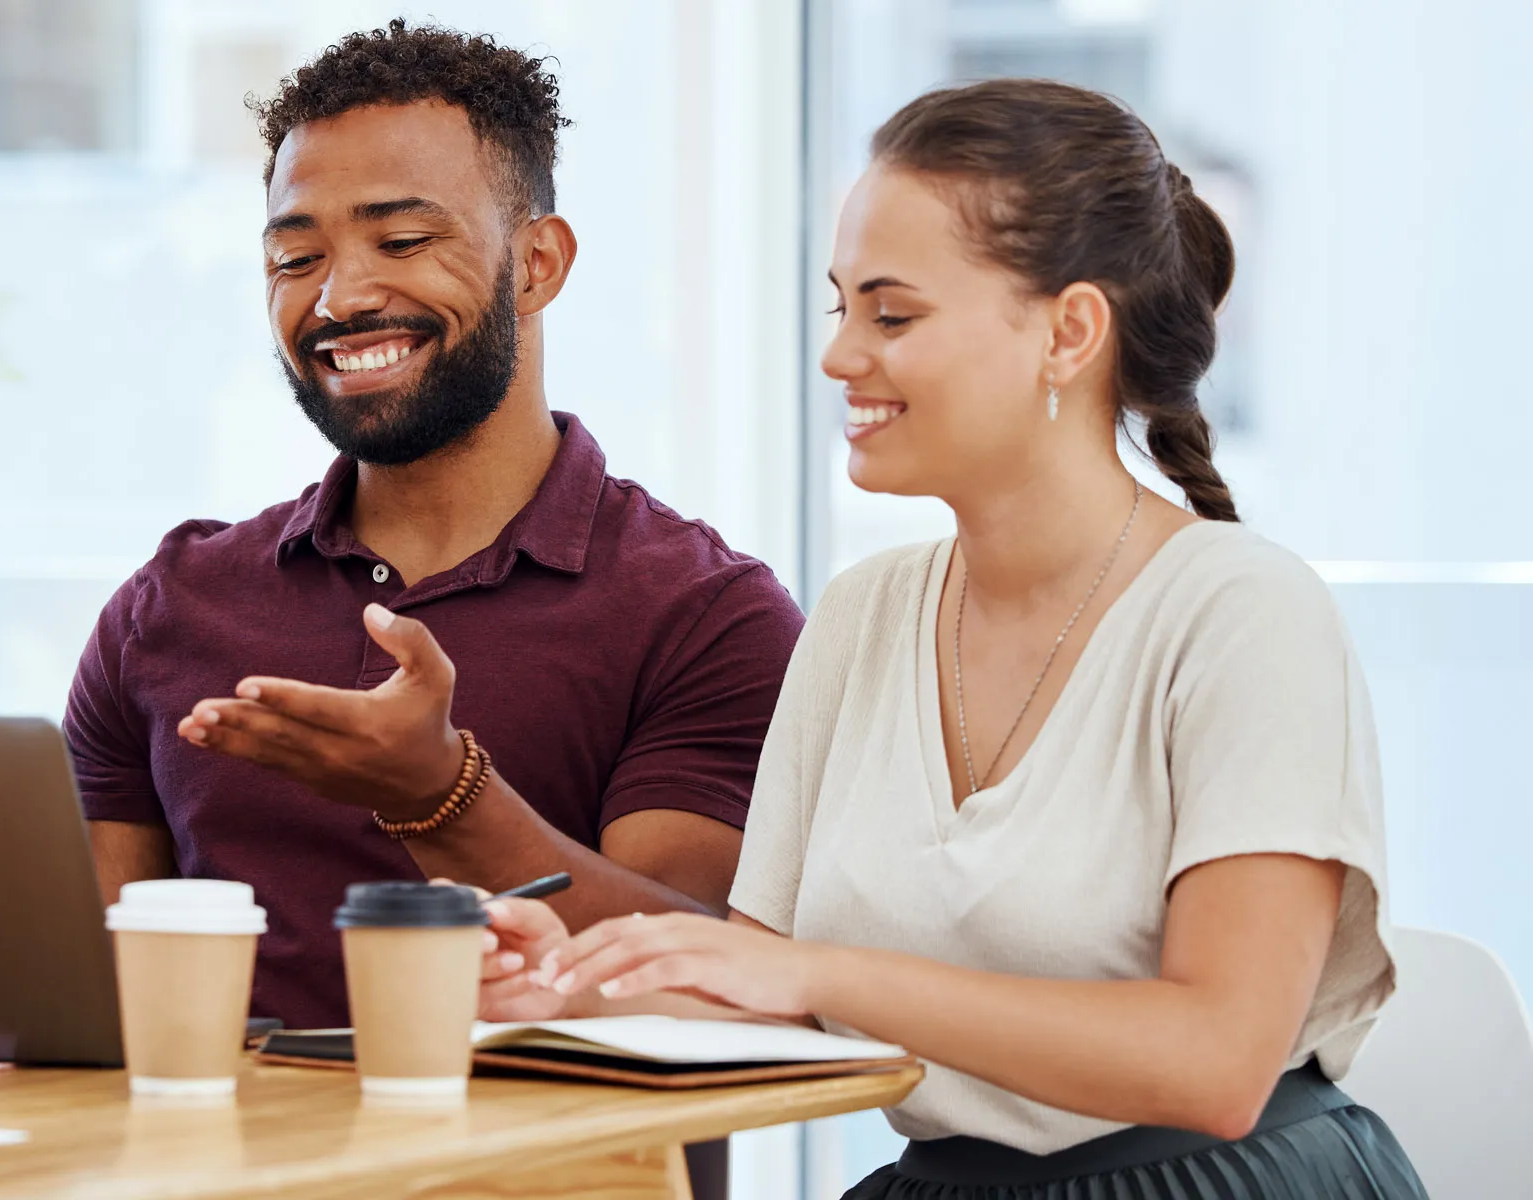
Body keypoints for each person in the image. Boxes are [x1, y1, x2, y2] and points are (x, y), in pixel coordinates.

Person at [480, 79, 1425, 1196]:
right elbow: (769, 993)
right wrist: (585, 987)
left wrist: (815, 969)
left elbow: (1215, 1064)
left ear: (1068, 332)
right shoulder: (860, 616)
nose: (839, 358)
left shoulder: (1243, 614)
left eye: (893, 315)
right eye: (840, 309)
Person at [65, 21, 805, 1030]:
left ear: (537, 263)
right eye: (294, 255)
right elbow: (74, 992)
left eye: (403, 241)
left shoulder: (705, 614)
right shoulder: (171, 606)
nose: (339, 296)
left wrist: (443, 797)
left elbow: (704, 986)